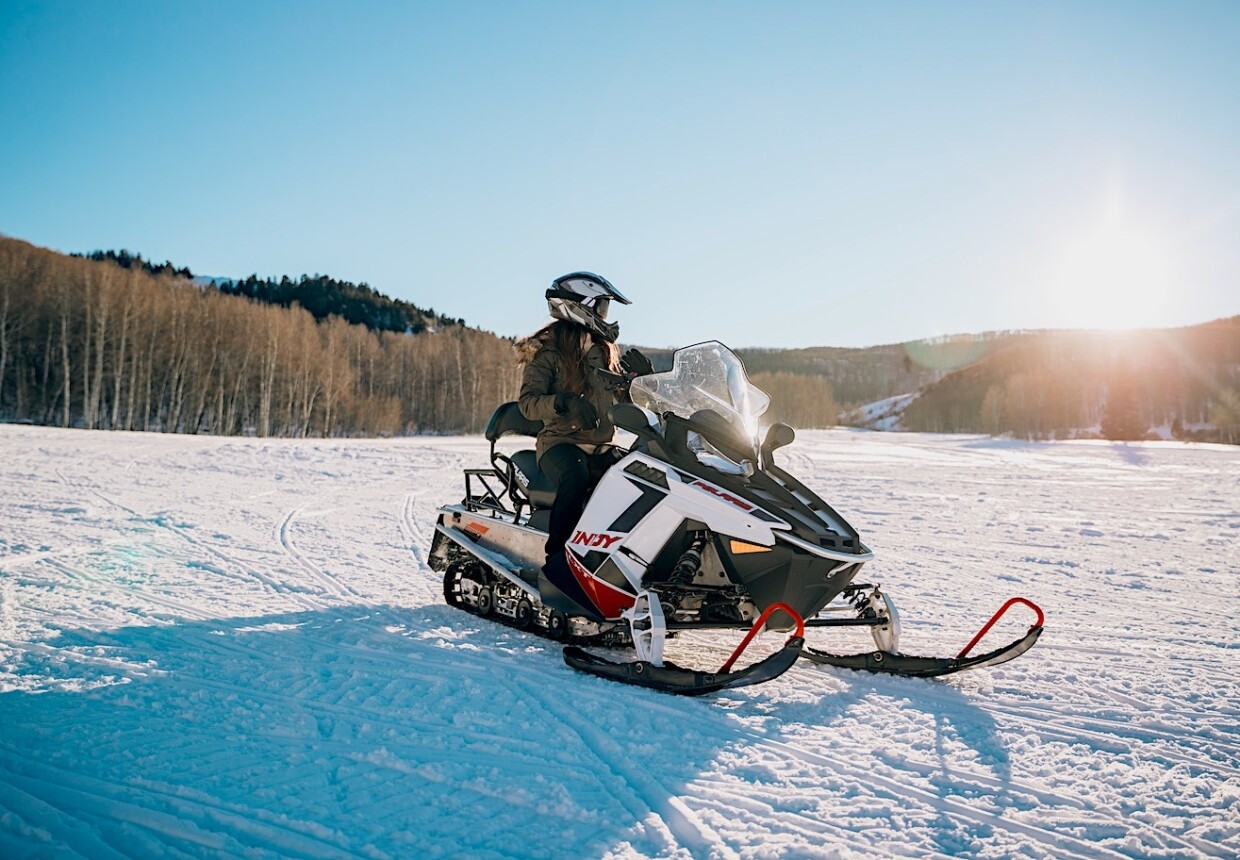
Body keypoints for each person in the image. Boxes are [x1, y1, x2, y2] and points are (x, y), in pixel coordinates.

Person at [517, 272, 653, 569]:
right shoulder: (547, 351)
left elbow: (624, 403)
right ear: (581, 307)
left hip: (601, 444)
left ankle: (630, 560)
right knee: (576, 477)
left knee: (642, 480)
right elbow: (527, 404)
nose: (605, 315)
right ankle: (557, 562)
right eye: (602, 307)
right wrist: (564, 401)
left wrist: (641, 381)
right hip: (560, 444)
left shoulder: (604, 351)